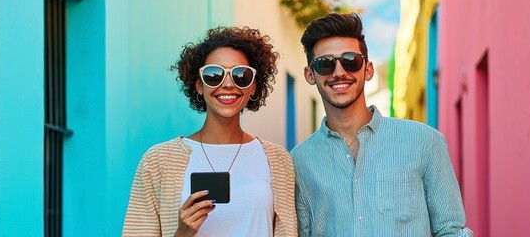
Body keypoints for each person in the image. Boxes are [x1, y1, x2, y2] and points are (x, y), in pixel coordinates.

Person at [291, 13, 473, 236]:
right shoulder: (299, 161)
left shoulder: (425, 142)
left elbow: (451, 231)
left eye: (351, 61)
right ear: (310, 75)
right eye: (325, 64)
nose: (339, 72)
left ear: (368, 69)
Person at [122, 26, 296, 237]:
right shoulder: (158, 161)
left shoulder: (278, 160)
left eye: (241, 75)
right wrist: (182, 233)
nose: (228, 84)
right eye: (214, 75)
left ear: (252, 87)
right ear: (198, 85)